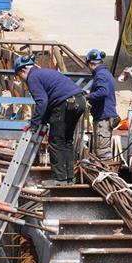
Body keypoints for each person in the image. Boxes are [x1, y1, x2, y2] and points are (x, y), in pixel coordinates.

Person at [13, 55, 87, 183]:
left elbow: (42, 102)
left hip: (65, 104)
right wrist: (43, 120)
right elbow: (48, 102)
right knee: (66, 141)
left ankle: (59, 179)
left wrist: (34, 124)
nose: (21, 80)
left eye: (19, 76)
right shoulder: (43, 73)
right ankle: (69, 177)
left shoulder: (32, 78)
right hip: (79, 101)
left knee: (56, 140)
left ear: (23, 70)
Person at [84, 48, 119, 161]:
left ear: (91, 64)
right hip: (105, 116)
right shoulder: (106, 73)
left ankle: (109, 177)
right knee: (101, 152)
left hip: (103, 118)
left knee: (103, 153)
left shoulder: (100, 75)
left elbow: (103, 92)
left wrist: (88, 96)